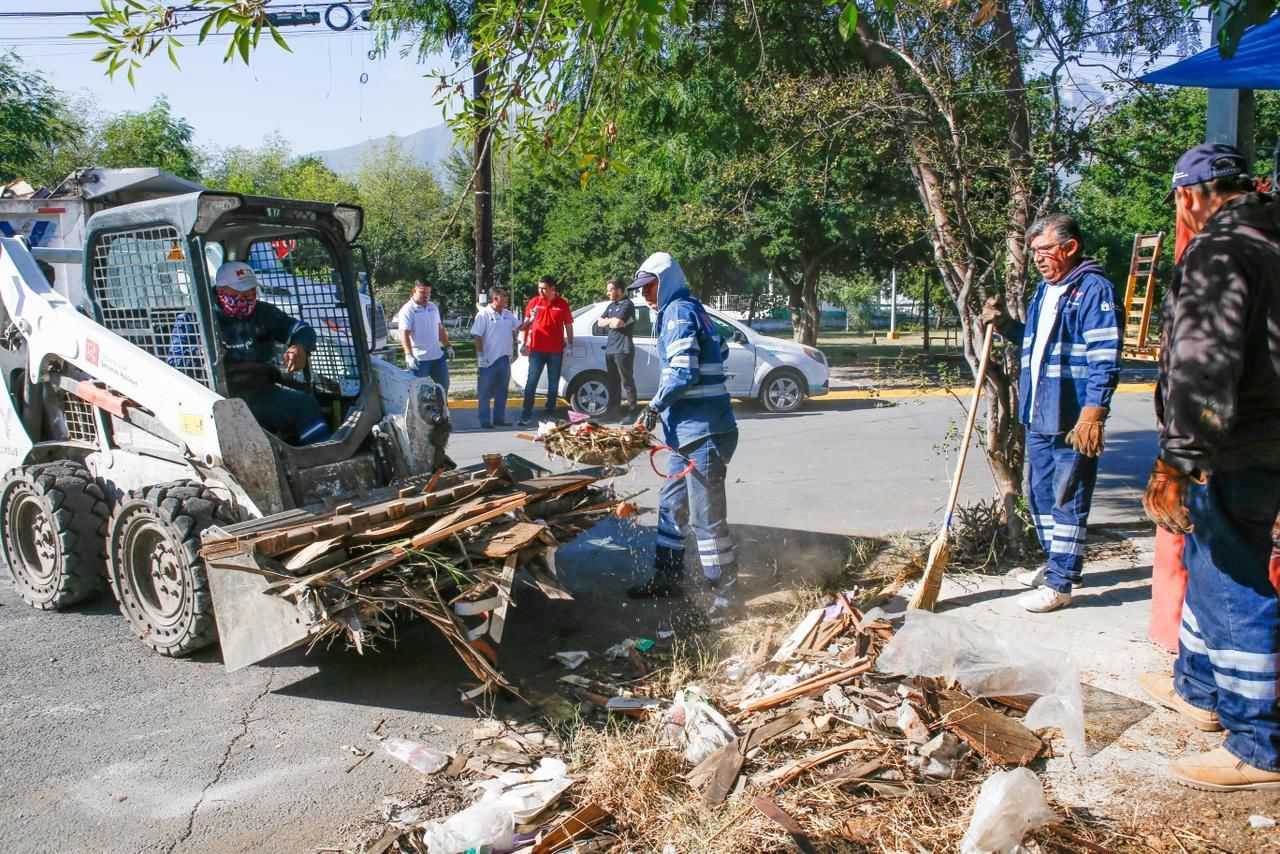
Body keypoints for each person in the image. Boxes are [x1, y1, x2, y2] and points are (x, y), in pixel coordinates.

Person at [1139, 142, 1280, 792]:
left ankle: (1257, 743)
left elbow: (1204, 365)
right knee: (1207, 557)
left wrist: (1177, 458)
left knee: (1233, 578)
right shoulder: (1267, 239)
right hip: (1259, 438)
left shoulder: (1221, 252)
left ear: (1191, 194)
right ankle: (1198, 691)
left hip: (1238, 445)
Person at [982, 214, 1122, 613]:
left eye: (1044, 250)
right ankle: (1055, 564)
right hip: (1040, 413)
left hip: (1073, 417)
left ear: (1070, 247)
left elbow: (1104, 356)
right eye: (1034, 252)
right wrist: (1007, 325)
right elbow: (1035, 343)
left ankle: (1061, 584)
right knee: (1041, 493)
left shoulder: (1094, 291)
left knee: (1068, 496)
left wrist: (1093, 413)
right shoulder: (1047, 291)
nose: (1038, 259)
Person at [626, 252, 740, 620]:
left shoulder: (677, 312)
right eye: (641, 289)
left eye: (650, 287)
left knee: (706, 520)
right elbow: (719, 347)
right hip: (689, 433)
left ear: (667, 280)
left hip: (702, 433)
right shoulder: (690, 308)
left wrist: (654, 407)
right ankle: (667, 579)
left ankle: (727, 599)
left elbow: (683, 372)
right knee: (672, 506)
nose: (645, 296)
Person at [168, 261, 330, 444]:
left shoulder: (264, 313)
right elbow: (176, 365)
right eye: (241, 294)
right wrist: (203, 356)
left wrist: (300, 346)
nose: (248, 298)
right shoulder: (192, 320)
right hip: (218, 399)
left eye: (252, 293)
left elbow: (301, 330)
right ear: (222, 291)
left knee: (305, 404)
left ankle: (321, 458)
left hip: (262, 392)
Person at [517, 275, 573, 426]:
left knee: (553, 384)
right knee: (531, 383)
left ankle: (549, 413)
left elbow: (568, 325)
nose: (541, 291)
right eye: (539, 288)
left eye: (544, 288)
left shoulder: (562, 304)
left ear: (552, 288)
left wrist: (570, 345)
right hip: (536, 350)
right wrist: (523, 343)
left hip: (555, 351)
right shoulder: (534, 303)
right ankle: (526, 414)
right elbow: (525, 324)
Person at [470, 286, 526, 429]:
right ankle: (485, 420)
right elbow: (477, 335)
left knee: (502, 390)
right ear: (496, 298)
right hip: (488, 359)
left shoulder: (507, 314)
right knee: (485, 391)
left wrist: (532, 318)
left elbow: (520, 328)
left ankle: (499, 418)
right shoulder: (483, 314)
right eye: (504, 295)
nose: (507, 298)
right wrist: (481, 355)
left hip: (504, 358)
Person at [592, 276, 638, 422]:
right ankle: (613, 411)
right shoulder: (611, 305)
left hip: (623, 349)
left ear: (619, 290)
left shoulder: (627, 304)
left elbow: (617, 324)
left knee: (627, 382)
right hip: (611, 349)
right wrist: (611, 321)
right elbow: (599, 322)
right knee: (613, 383)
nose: (608, 293)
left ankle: (632, 413)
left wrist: (612, 321)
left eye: (610, 290)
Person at [396, 279, 453, 392]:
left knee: (443, 388)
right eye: (422, 292)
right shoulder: (407, 310)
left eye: (428, 292)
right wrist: (408, 355)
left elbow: (439, 328)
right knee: (417, 392)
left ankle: (442, 409)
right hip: (419, 360)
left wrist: (448, 346)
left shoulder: (433, 307)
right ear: (414, 290)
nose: (426, 295)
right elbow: (404, 334)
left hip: (437, 357)